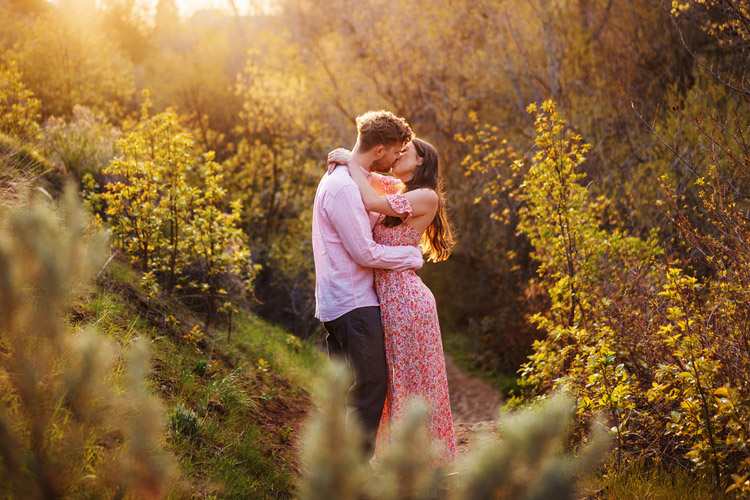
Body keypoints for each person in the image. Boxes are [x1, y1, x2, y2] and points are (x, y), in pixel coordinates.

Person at [327, 137, 458, 465]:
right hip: (389, 300)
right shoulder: (399, 189)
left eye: (405, 152)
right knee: (398, 382)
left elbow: (370, 199)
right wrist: (351, 161)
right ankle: (402, 459)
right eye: (397, 150)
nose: (398, 156)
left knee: (413, 384)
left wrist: (347, 158)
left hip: (406, 303)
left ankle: (423, 461)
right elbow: (370, 176)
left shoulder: (426, 196)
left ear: (421, 162)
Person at [312, 110, 424, 457]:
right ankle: (354, 475)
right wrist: (410, 256)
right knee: (371, 386)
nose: (395, 160)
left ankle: (341, 467)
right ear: (379, 150)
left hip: (344, 302)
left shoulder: (349, 179)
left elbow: (371, 213)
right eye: (394, 151)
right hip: (353, 304)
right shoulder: (344, 186)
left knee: (355, 388)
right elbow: (365, 252)